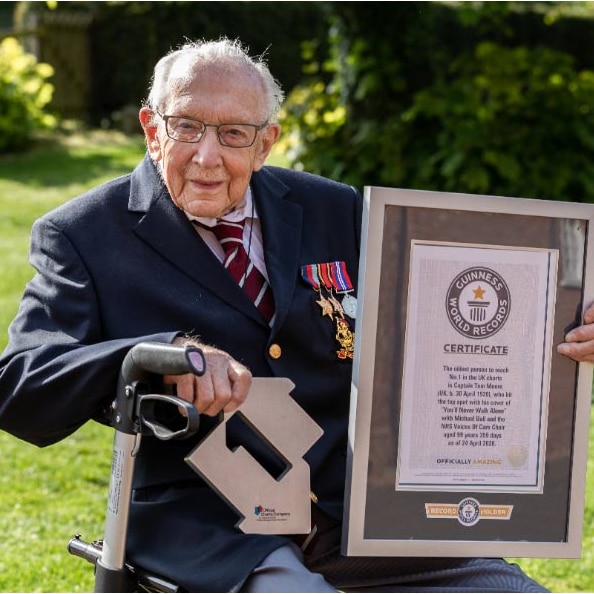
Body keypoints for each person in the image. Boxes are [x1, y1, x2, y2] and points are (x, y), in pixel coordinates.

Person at [0, 36, 591, 593]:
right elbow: (21, 383)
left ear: (266, 143)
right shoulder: (82, 234)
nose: (207, 155)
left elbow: (436, 332)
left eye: (233, 133)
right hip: (208, 523)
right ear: (151, 128)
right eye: (186, 126)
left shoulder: (333, 207)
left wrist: (562, 334)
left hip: (357, 512)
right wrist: (157, 356)